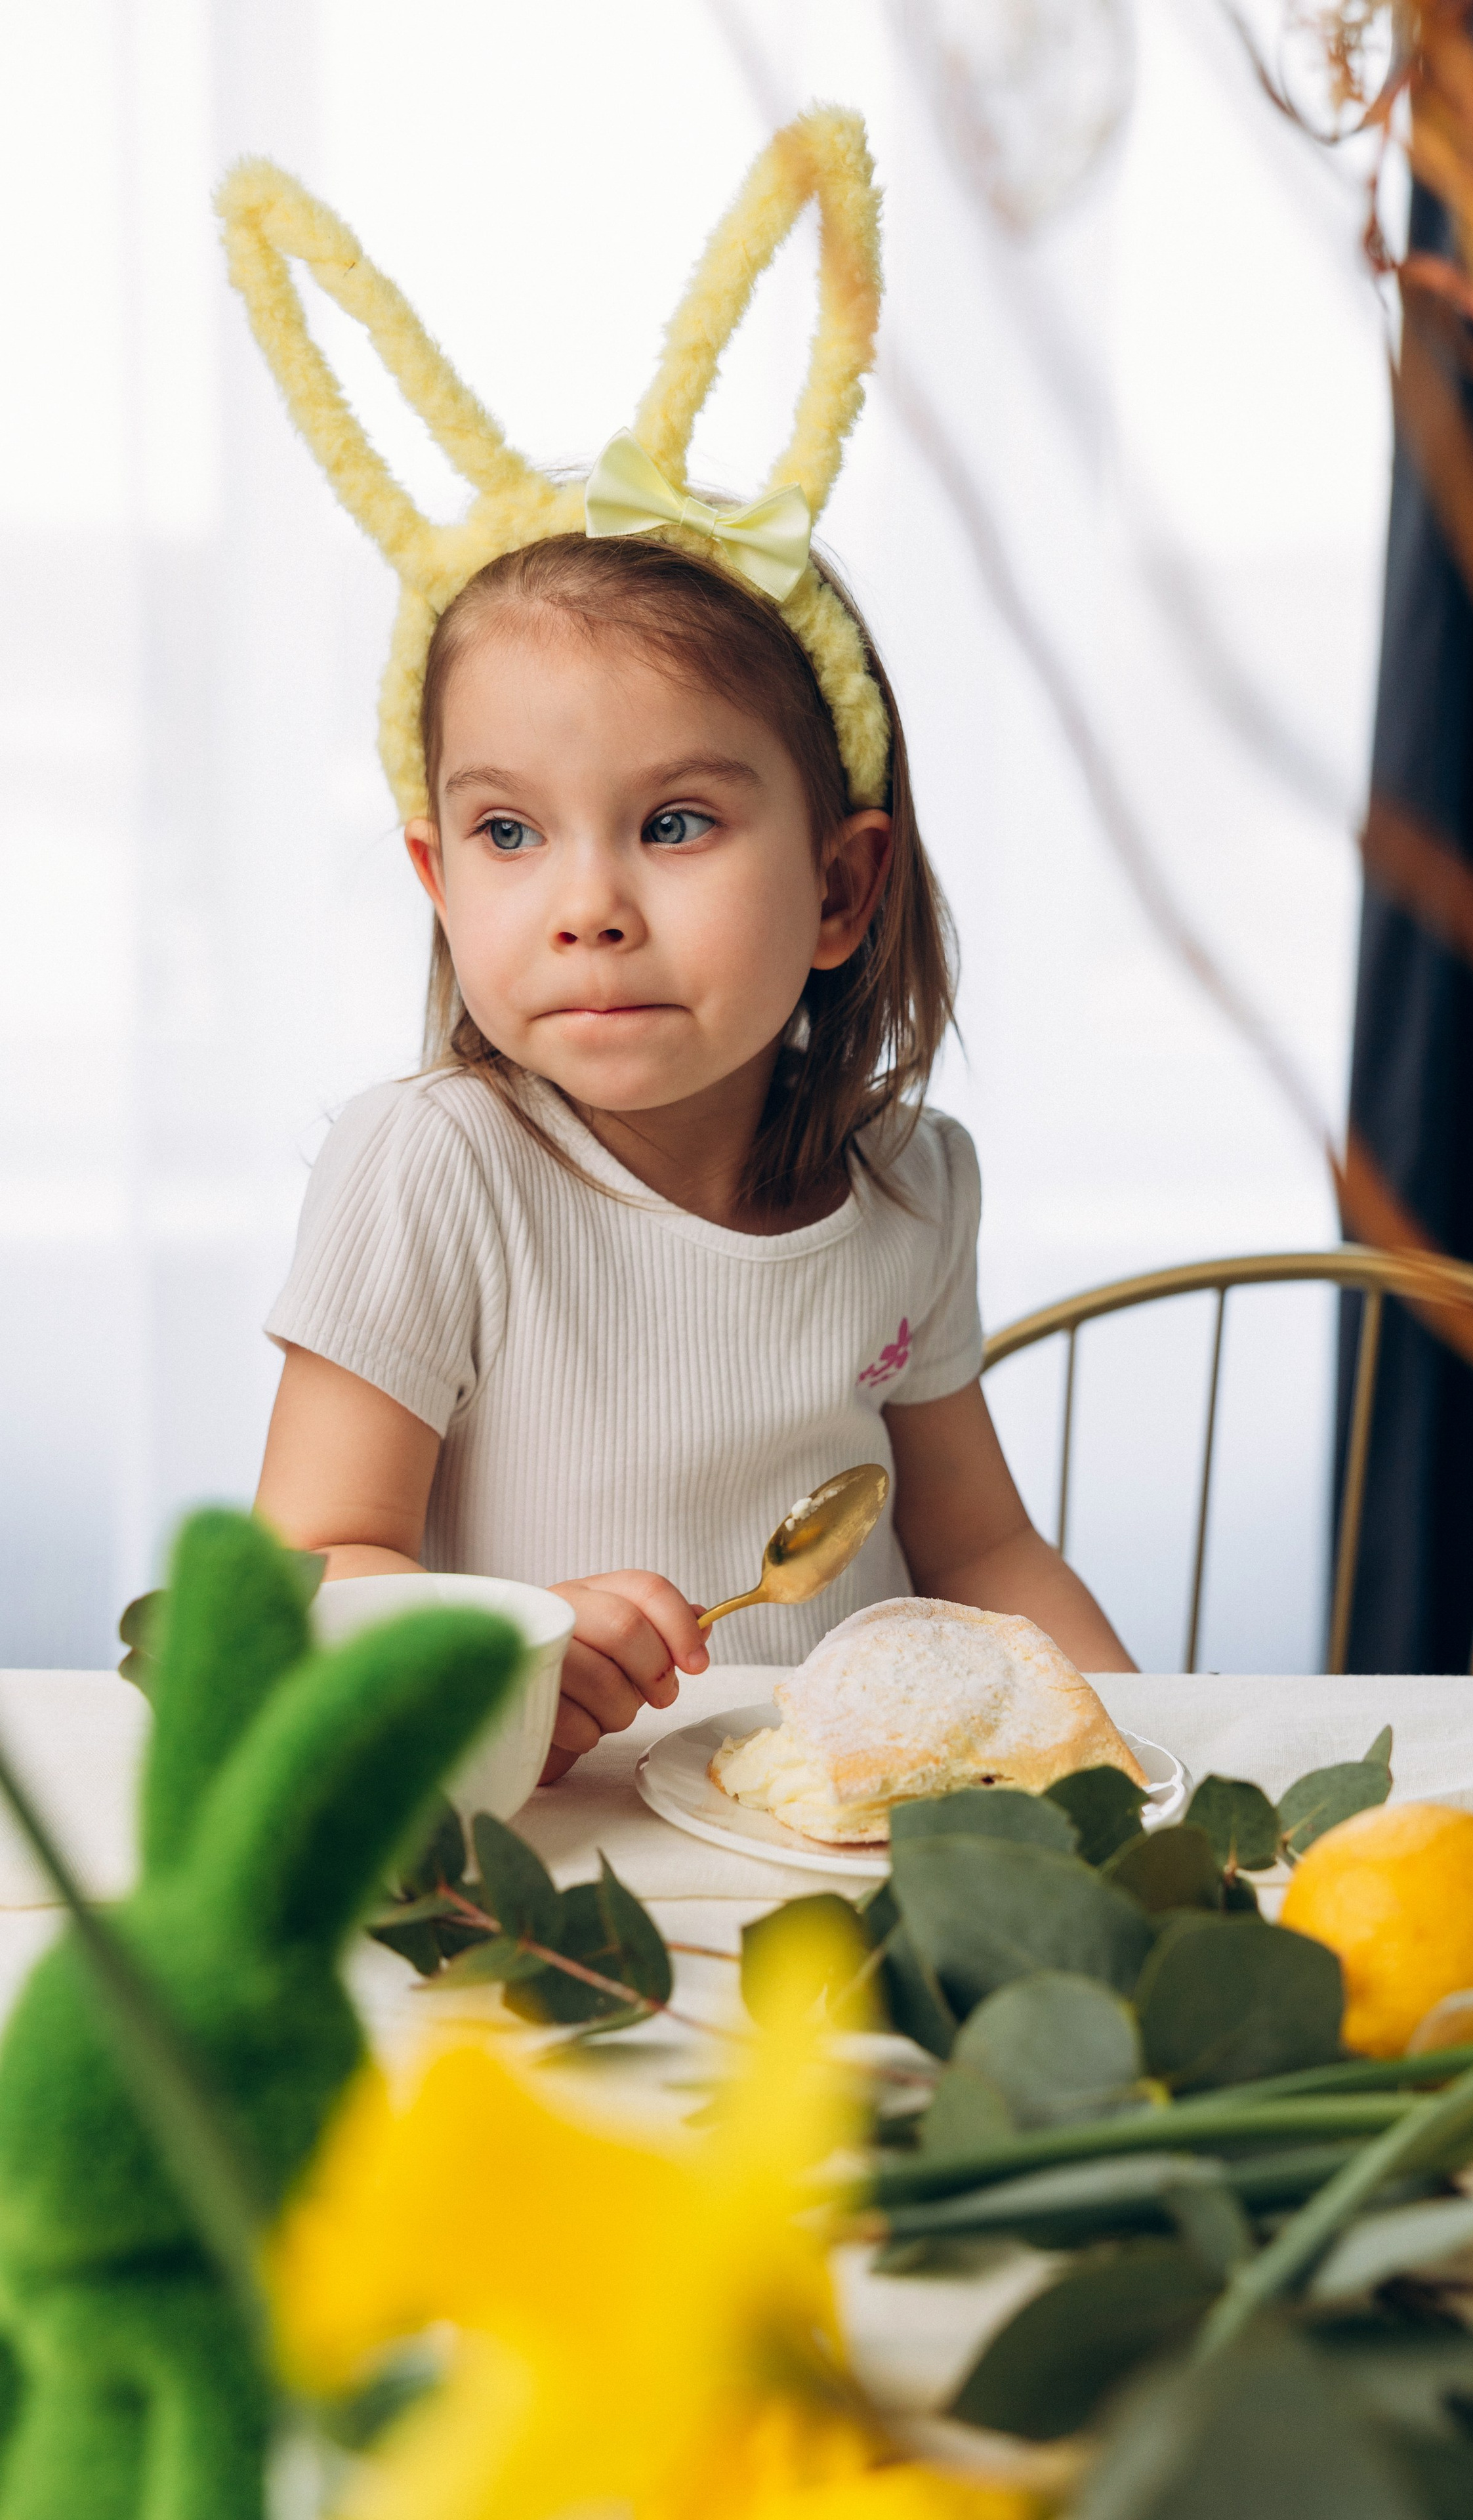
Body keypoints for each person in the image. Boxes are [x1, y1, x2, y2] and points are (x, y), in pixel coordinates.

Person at [226, 112, 1134, 1784]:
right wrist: (502, 1643)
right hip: (553, 1871)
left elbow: (980, 1558)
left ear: (844, 893)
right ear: (438, 875)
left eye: (673, 823)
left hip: (838, 1855)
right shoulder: (429, 1174)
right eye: (510, 834)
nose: (588, 903)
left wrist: (1131, 1766)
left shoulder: (909, 1189)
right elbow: (307, 1572)